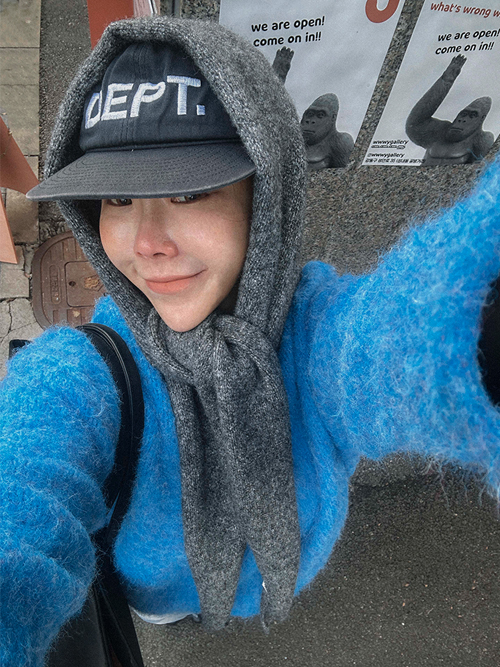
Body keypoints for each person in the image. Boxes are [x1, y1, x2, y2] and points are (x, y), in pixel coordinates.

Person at [1, 16, 500, 667]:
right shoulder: (82, 377)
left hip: (282, 569)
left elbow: (403, 337)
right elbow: (20, 509)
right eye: (117, 198)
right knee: (166, 610)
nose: (146, 241)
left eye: (188, 190)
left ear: (264, 193)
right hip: (154, 592)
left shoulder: (318, 332)